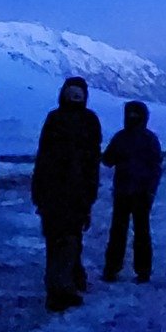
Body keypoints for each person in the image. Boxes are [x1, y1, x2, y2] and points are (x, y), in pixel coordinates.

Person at [32, 75, 104, 310]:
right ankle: (60, 289)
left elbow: (90, 159)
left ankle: (69, 278)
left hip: (64, 191)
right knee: (65, 239)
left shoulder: (61, 119)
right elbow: (89, 160)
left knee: (64, 238)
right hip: (65, 191)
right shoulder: (82, 120)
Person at [100, 100, 163, 281]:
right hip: (131, 191)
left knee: (125, 231)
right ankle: (138, 270)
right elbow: (108, 159)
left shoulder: (124, 137)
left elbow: (107, 160)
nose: (132, 117)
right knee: (134, 231)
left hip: (132, 191)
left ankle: (115, 268)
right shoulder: (146, 138)